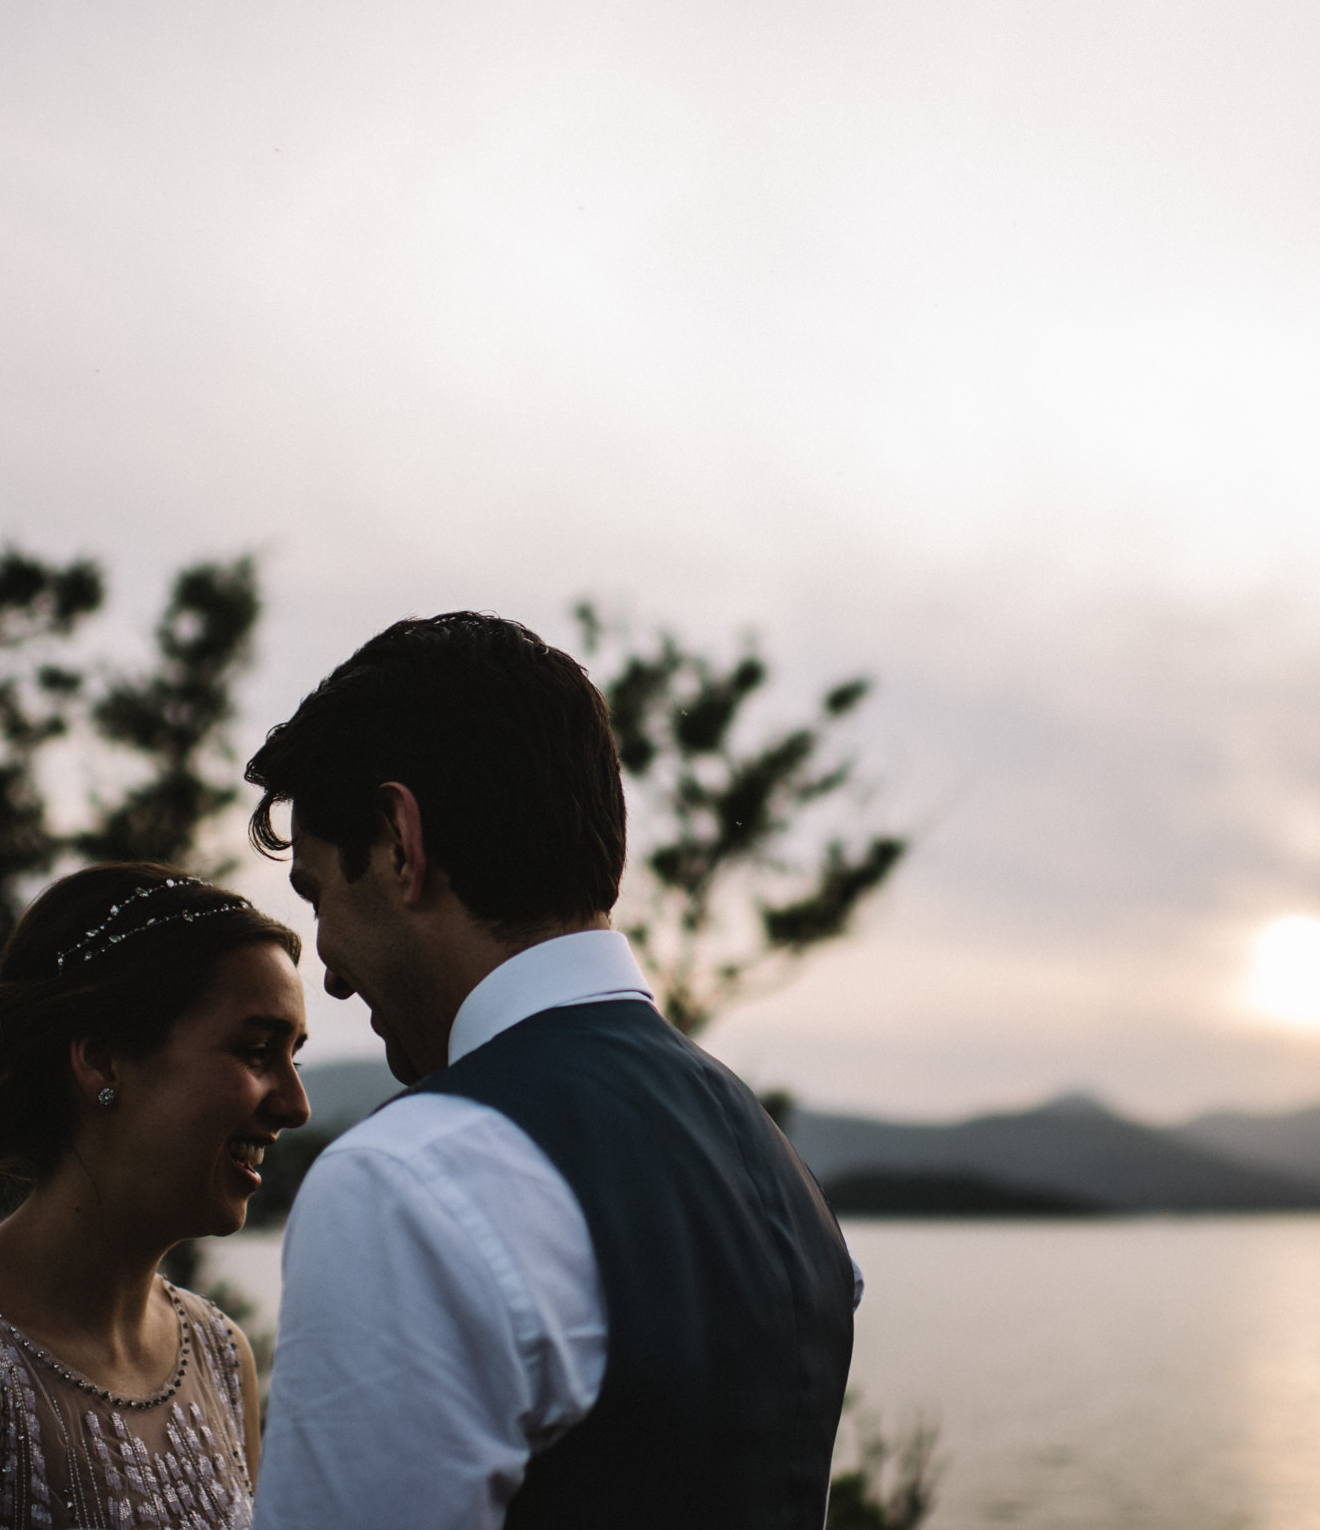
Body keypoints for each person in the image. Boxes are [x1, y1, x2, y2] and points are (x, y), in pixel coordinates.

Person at [243, 612, 859, 1530]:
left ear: (400, 843)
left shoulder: (405, 1182)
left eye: (320, 893)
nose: (325, 967)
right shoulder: (778, 1171)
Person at [0, 862, 311, 1530]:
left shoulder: (220, 1356)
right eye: (255, 1052)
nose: (295, 1105)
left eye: (295, 1059)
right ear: (101, 1061)